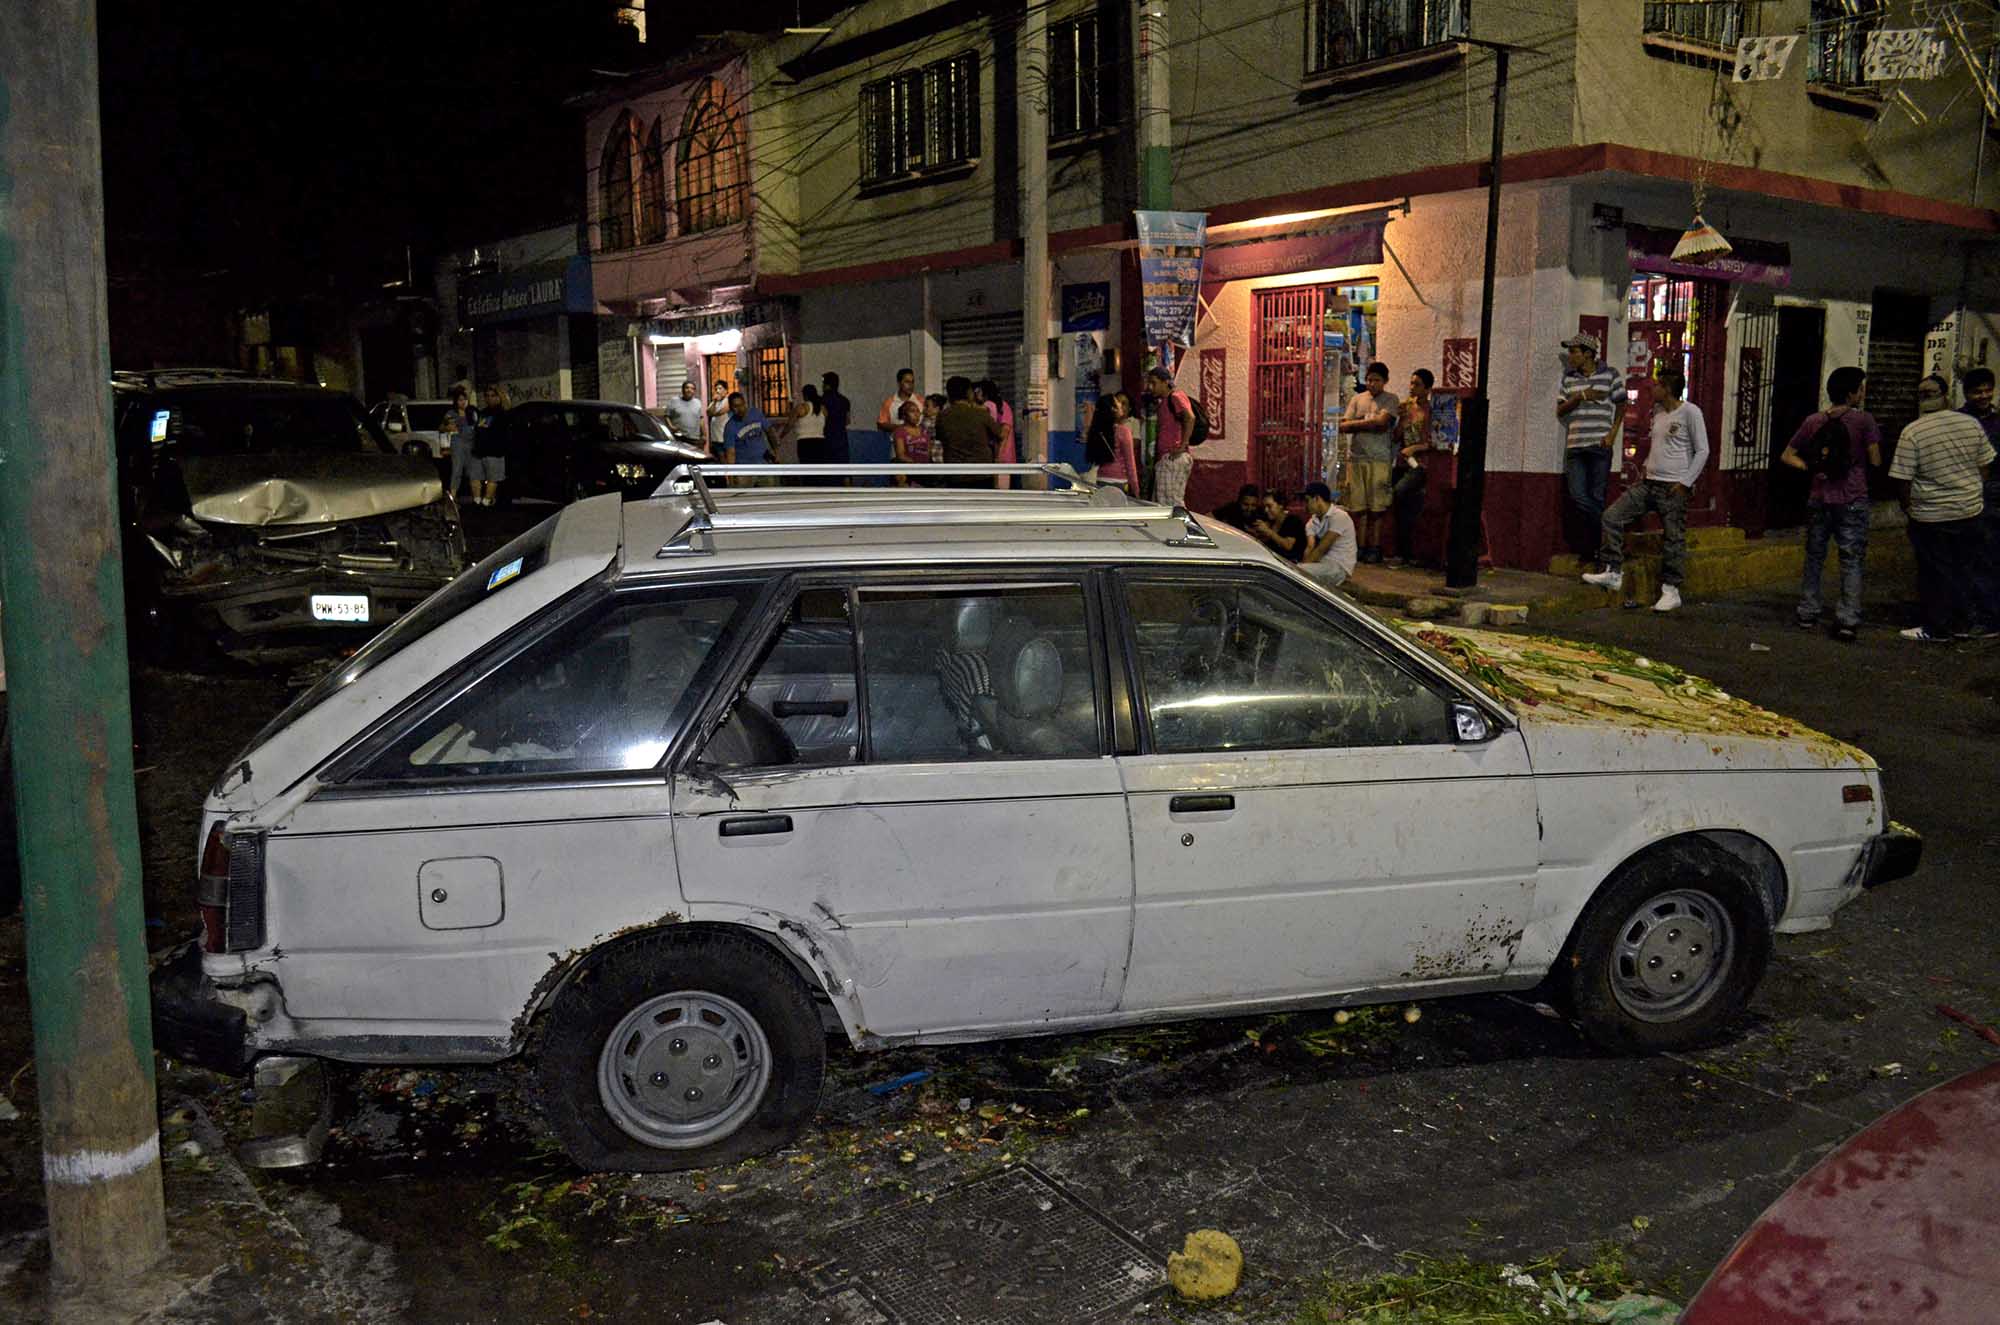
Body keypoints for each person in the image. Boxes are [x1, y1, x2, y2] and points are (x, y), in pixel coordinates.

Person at [1582, 366, 1708, 613]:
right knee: (1612, 516)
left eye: (1658, 385)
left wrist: (1685, 483)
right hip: (1648, 483)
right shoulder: (1658, 413)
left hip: (1673, 487)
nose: (1653, 388)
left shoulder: (1691, 412)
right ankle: (1613, 571)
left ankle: (1671, 590)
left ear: (1669, 388)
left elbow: (1703, 450)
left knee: (1673, 537)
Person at [1779, 367, 1881, 642]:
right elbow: (1875, 459)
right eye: (1861, 388)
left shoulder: (1813, 421)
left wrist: (1811, 468)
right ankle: (1847, 619)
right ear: (1851, 393)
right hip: (1852, 497)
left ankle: (1808, 611)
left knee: (1814, 556)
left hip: (1819, 497)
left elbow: (1787, 456)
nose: (1863, 393)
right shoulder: (1864, 421)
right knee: (1851, 559)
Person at [1889, 373, 1993, 641]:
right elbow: (1984, 466)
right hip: (1969, 509)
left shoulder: (1913, 432)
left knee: (1935, 573)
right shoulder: (1971, 424)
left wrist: (1908, 507)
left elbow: (1902, 478)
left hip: (1931, 515)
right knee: (1967, 568)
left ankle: (1938, 627)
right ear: (1946, 396)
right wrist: (1970, 492)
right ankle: (1968, 622)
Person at [1556, 332, 1628, 559]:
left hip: (1599, 444)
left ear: (1588, 354)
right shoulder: (1569, 378)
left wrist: (1613, 434)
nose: (1570, 356)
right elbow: (1560, 410)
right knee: (1578, 496)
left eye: (1574, 352)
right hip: (1575, 445)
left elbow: (1622, 404)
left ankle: (1595, 550)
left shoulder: (1610, 375)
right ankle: (1607, 536)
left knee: (1597, 496)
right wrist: (1581, 396)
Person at [1338, 361, 1399, 563]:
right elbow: (1344, 426)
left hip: (1380, 459)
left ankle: (1374, 547)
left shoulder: (1391, 400)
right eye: (1370, 379)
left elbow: (1382, 423)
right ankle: (1360, 547)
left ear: (1385, 381)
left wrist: (1358, 424)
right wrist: (1369, 423)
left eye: (1377, 380)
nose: (1372, 384)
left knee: (1377, 509)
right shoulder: (1357, 399)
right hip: (1356, 459)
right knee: (1358, 507)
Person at [1960, 367, 2000, 633]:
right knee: (1969, 556)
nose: (1983, 395)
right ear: (1966, 393)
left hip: (1994, 494)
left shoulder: (1999, 421)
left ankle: (1989, 616)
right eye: (1977, 391)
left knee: (1990, 556)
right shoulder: (1959, 421)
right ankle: (1973, 613)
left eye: (1988, 390)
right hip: (1966, 492)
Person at [1390, 368, 1436, 566]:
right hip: (1403, 462)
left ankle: (1409, 553)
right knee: (1401, 507)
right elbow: (1396, 437)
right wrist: (1401, 419)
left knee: (1402, 495)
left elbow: (1436, 441)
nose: (1412, 388)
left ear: (1427, 388)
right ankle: (1405, 554)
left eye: (1417, 384)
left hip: (1421, 464)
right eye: (1411, 383)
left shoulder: (1432, 411)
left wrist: (1414, 448)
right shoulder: (1407, 408)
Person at [934, 374, 1002, 487]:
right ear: (968, 393)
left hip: (955, 474)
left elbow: (941, 438)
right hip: (982, 473)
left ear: (949, 394)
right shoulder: (981, 413)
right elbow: (999, 434)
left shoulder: (942, 416)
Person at [1145, 365, 1195, 507]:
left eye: (1154, 383)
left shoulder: (1175, 397)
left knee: (1171, 502)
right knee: (1162, 501)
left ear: (1165, 382)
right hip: (1167, 458)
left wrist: (1182, 446)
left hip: (1174, 457)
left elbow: (1190, 418)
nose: (1150, 387)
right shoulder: (1165, 402)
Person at [1299, 482, 1357, 587]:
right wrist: (1302, 567)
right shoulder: (1312, 522)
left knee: (1299, 572)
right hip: (1322, 564)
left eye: (1307, 500)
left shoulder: (1339, 516)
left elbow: (1322, 548)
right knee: (1297, 571)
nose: (1305, 505)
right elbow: (1310, 547)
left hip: (1339, 567)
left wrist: (1301, 570)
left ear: (1317, 499)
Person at [468, 383, 510, 507]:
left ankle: (486, 502)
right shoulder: (483, 413)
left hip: (494, 452)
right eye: (487, 396)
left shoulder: (502, 413)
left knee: (493, 478)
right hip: (479, 451)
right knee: (475, 477)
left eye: (492, 395)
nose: (489, 398)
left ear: (498, 397)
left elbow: (504, 434)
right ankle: (477, 500)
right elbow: (477, 429)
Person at [1084, 392, 1139, 488]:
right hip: (1119, 481)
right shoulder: (1124, 431)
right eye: (1118, 402)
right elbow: (1130, 462)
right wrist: (1135, 487)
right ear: (1113, 409)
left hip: (1101, 479)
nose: (1120, 405)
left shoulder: (1098, 430)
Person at [722, 391, 777, 485]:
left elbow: (770, 431)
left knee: (769, 495)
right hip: (744, 469)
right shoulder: (730, 427)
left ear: (745, 403)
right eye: (735, 406)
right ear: (731, 408)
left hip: (763, 464)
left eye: (741, 405)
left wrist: (776, 452)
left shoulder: (756, 414)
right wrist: (731, 476)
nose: (740, 409)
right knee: (745, 498)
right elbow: (730, 453)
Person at [975, 378, 1015, 489]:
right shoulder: (1003, 406)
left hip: (998, 456)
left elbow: (1004, 433)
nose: (976, 393)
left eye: (978, 390)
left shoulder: (990, 406)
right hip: (1002, 456)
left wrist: (998, 456)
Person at [442, 385, 477, 502]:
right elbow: (441, 427)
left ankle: (476, 498)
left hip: (471, 443)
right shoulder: (451, 413)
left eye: (465, 400)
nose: (463, 402)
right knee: (457, 470)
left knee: (473, 471)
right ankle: (452, 498)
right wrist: (448, 427)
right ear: (456, 401)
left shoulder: (472, 411)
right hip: (458, 443)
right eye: (460, 400)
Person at [1250, 491, 1307, 562]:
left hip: (1292, 563)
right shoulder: (1271, 522)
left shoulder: (1293, 521)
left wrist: (1268, 531)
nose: (1266, 510)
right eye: (1264, 507)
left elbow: (1288, 545)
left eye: (1269, 506)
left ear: (1281, 505)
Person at [889, 399, 929, 483]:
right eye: (912, 411)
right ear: (904, 415)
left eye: (918, 411)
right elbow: (901, 454)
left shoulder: (924, 430)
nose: (917, 414)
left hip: (925, 468)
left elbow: (928, 451)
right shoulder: (900, 432)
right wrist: (915, 464)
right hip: (909, 468)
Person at [819, 371, 852, 473]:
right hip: (841, 437)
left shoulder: (822, 400)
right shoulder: (844, 400)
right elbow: (847, 420)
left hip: (826, 437)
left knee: (827, 471)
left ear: (826, 384)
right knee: (843, 470)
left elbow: (821, 419)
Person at [789, 383, 827, 468]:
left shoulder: (801, 408)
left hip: (805, 444)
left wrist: (780, 437)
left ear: (805, 395)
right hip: (820, 443)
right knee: (818, 471)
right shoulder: (823, 409)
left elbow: (789, 425)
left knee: (807, 471)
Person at [663, 379, 705, 446]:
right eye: (687, 387)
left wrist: (704, 435)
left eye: (692, 388)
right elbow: (666, 416)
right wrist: (671, 427)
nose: (689, 390)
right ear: (682, 390)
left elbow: (701, 419)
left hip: (694, 439)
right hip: (678, 438)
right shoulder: (674, 401)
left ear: (694, 391)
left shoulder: (698, 402)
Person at [878, 368, 920, 433]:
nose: (911, 385)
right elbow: (881, 424)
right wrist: (900, 428)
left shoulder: (921, 400)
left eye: (912, 382)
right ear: (899, 383)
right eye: (907, 382)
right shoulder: (889, 402)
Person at [706, 375, 734, 456]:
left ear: (726, 390)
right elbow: (708, 413)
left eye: (720, 388)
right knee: (721, 459)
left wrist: (713, 413)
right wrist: (714, 402)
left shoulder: (728, 400)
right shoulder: (715, 401)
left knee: (728, 459)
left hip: (725, 437)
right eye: (716, 389)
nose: (717, 391)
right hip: (716, 437)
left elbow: (720, 412)